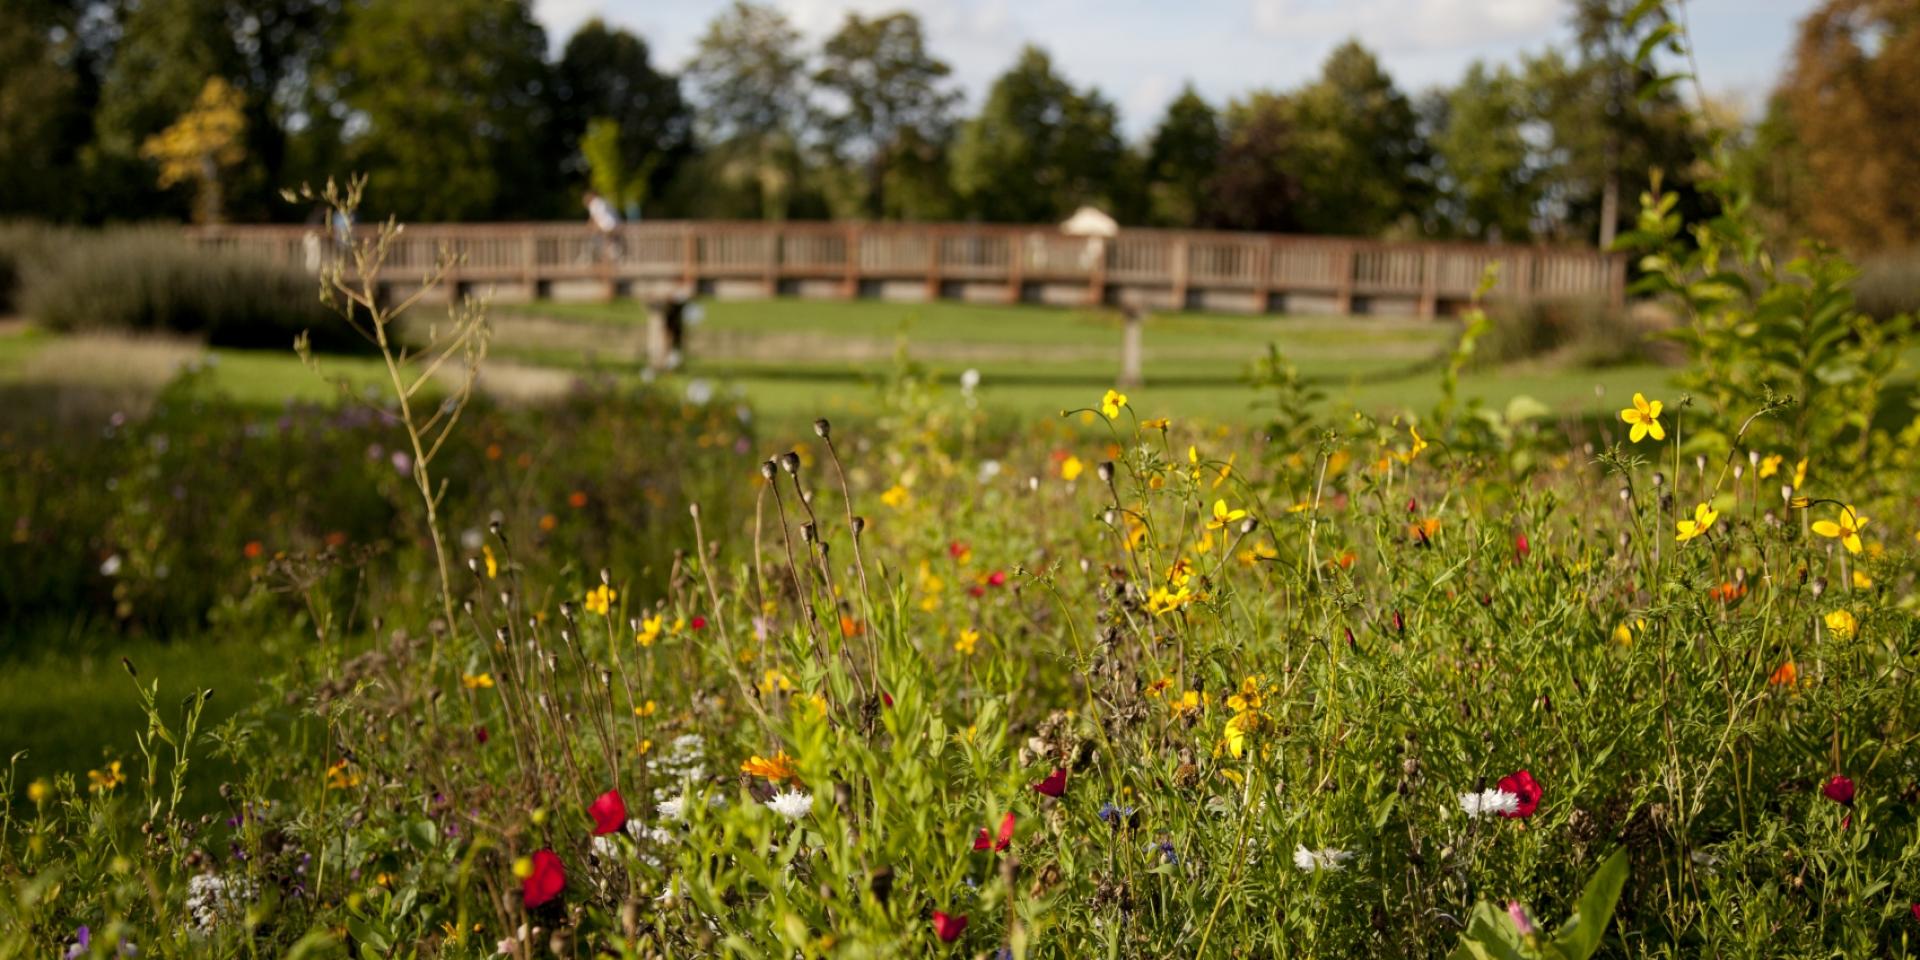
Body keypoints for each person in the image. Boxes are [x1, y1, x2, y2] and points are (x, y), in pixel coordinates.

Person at [584, 190, 621, 261]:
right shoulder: (602, 201)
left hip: (605, 226)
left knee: (602, 242)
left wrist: (589, 228)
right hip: (613, 224)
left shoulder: (594, 204)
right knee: (608, 242)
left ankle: (607, 257)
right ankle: (611, 255)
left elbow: (594, 218)